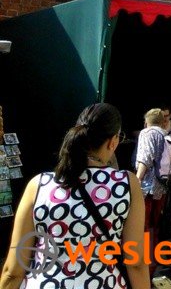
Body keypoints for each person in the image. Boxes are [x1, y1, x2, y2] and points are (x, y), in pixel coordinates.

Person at [0, 102, 149, 289]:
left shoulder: (38, 185)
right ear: (113, 142)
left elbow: (13, 270)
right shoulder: (126, 184)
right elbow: (135, 262)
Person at [136, 108, 171, 276]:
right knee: (154, 228)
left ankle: (142, 268)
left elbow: (145, 157)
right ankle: (152, 267)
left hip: (146, 188)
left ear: (146, 121)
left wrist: (137, 179)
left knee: (142, 228)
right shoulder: (166, 135)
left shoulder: (147, 133)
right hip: (161, 188)